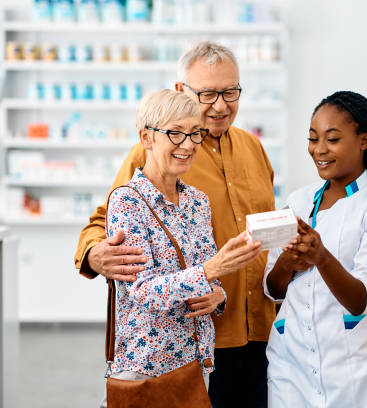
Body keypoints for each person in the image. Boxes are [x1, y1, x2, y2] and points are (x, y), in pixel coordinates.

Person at [75, 42, 275, 407]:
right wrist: (93, 255)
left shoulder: (253, 149)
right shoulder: (153, 151)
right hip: (176, 348)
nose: (220, 104)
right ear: (181, 90)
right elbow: (104, 221)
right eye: (208, 93)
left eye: (230, 92)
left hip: (254, 328)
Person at [102, 89, 261, 405]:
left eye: (194, 134)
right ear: (146, 138)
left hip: (196, 364)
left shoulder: (197, 202)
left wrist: (218, 295)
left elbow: (210, 283)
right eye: (175, 133)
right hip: (145, 369)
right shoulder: (127, 202)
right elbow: (142, 291)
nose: (188, 145)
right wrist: (211, 270)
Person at [264, 91, 367, 408]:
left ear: (363, 141)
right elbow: (274, 290)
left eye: (332, 139)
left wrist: (321, 258)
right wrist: (288, 260)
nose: (319, 150)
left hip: (349, 370)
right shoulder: (298, 201)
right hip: (289, 365)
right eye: (313, 139)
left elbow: (361, 300)